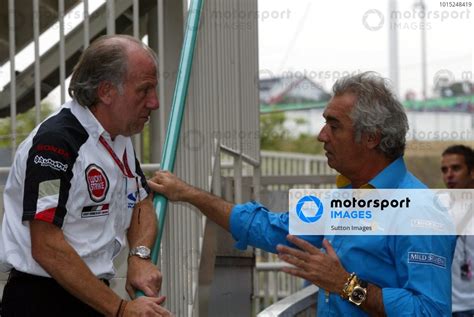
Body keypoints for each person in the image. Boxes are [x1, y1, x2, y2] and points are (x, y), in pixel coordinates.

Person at [148, 72, 456, 316]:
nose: (321, 135)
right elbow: (269, 227)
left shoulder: (420, 210)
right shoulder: (347, 200)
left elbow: (429, 311)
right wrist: (188, 193)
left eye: (333, 126)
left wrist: (346, 285)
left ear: (371, 138)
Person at [0, 35, 172, 316]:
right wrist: (120, 309)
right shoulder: (54, 143)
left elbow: (141, 201)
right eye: (144, 90)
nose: (154, 102)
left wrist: (139, 255)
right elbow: (46, 245)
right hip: (42, 301)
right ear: (106, 91)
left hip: (91, 296)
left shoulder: (117, 137)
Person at [441, 145, 474, 317]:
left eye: (456, 168)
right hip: (448, 306)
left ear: (472, 171)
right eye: (444, 170)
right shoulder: (437, 205)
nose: (449, 175)